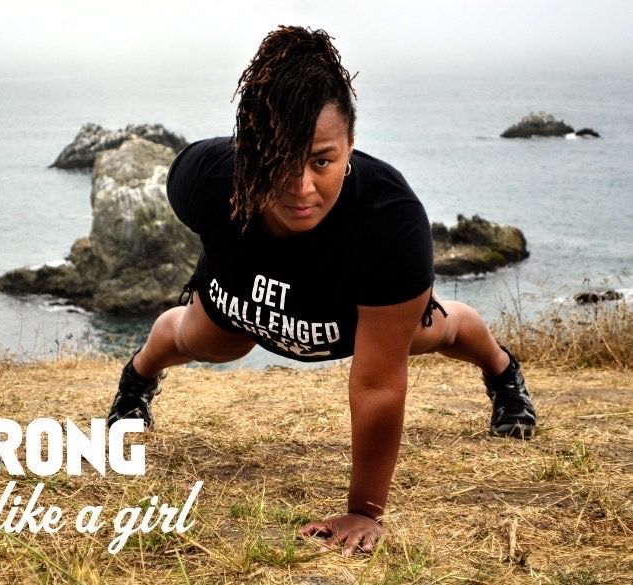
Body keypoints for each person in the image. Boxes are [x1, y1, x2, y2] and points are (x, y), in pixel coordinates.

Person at [106, 26, 536, 555]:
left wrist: (364, 510)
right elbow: (209, 226)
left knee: (442, 328)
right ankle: (136, 382)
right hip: (245, 303)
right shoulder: (202, 178)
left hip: (348, 317)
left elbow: (377, 385)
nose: (301, 188)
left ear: (351, 144)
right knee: (190, 339)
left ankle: (503, 372)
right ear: (249, 150)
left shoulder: (391, 221)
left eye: (321, 161)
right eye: (278, 160)